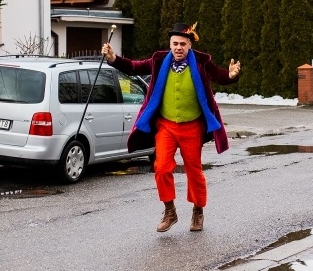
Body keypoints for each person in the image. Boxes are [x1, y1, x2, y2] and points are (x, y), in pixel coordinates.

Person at [101, 22, 241, 233]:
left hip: (192, 126)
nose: (178, 47)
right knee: (162, 167)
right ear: (170, 44)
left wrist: (231, 75)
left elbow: (220, 76)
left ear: (190, 46)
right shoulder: (159, 60)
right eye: (175, 43)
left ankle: (198, 210)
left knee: (194, 172)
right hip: (166, 125)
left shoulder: (202, 62)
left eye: (182, 44)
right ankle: (170, 210)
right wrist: (113, 59)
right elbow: (134, 67)